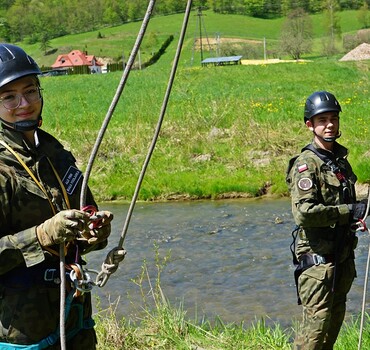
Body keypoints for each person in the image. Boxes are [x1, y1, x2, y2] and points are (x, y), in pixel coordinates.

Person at [0, 43, 125, 349]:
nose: (24, 103)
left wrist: (93, 233)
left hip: (74, 318)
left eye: (30, 91)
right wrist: (41, 235)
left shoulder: (54, 152)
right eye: (8, 97)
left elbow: (82, 209)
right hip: (21, 333)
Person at [286, 91, 366, 350]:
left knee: (331, 334)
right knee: (313, 338)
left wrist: (357, 215)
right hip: (318, 266)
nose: (329, 124)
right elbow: (304, 213)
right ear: (310, 125)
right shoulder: (306, 165)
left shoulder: (339, 162)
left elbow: (345, 201)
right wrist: (347, 211)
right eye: (322, 120)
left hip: (342, 259)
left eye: (333, 118)